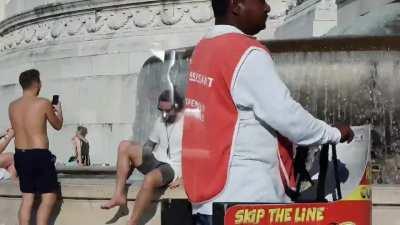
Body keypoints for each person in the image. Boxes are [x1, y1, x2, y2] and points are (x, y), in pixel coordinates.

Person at [182, 1, 355, 224]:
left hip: (208, 198)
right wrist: (333, 133)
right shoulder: (245, 53)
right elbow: (287, 116)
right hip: (247, 200)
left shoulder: (204, 48)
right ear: (236, 4)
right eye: (260, 0)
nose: (267, 8)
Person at [101, 89, 184, 225]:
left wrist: (184, 179)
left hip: (173, 168)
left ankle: (133, 222)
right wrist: (134, 159)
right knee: (124, 145)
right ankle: (118, 195)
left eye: (167, 110)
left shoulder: (189, 123)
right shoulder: (160, 120)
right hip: (157, 159)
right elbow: (149, 145)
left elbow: (197, 155)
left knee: (149, 178)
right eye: (160, 109)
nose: (163, 114)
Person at [9, 69, 63, 225]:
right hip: (39, 154)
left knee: (27, 197)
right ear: (36, 84)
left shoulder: (12, 106)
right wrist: (59, 112)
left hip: (20, 154)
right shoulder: (43, 103)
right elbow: (57, 125)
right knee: (49, 196)